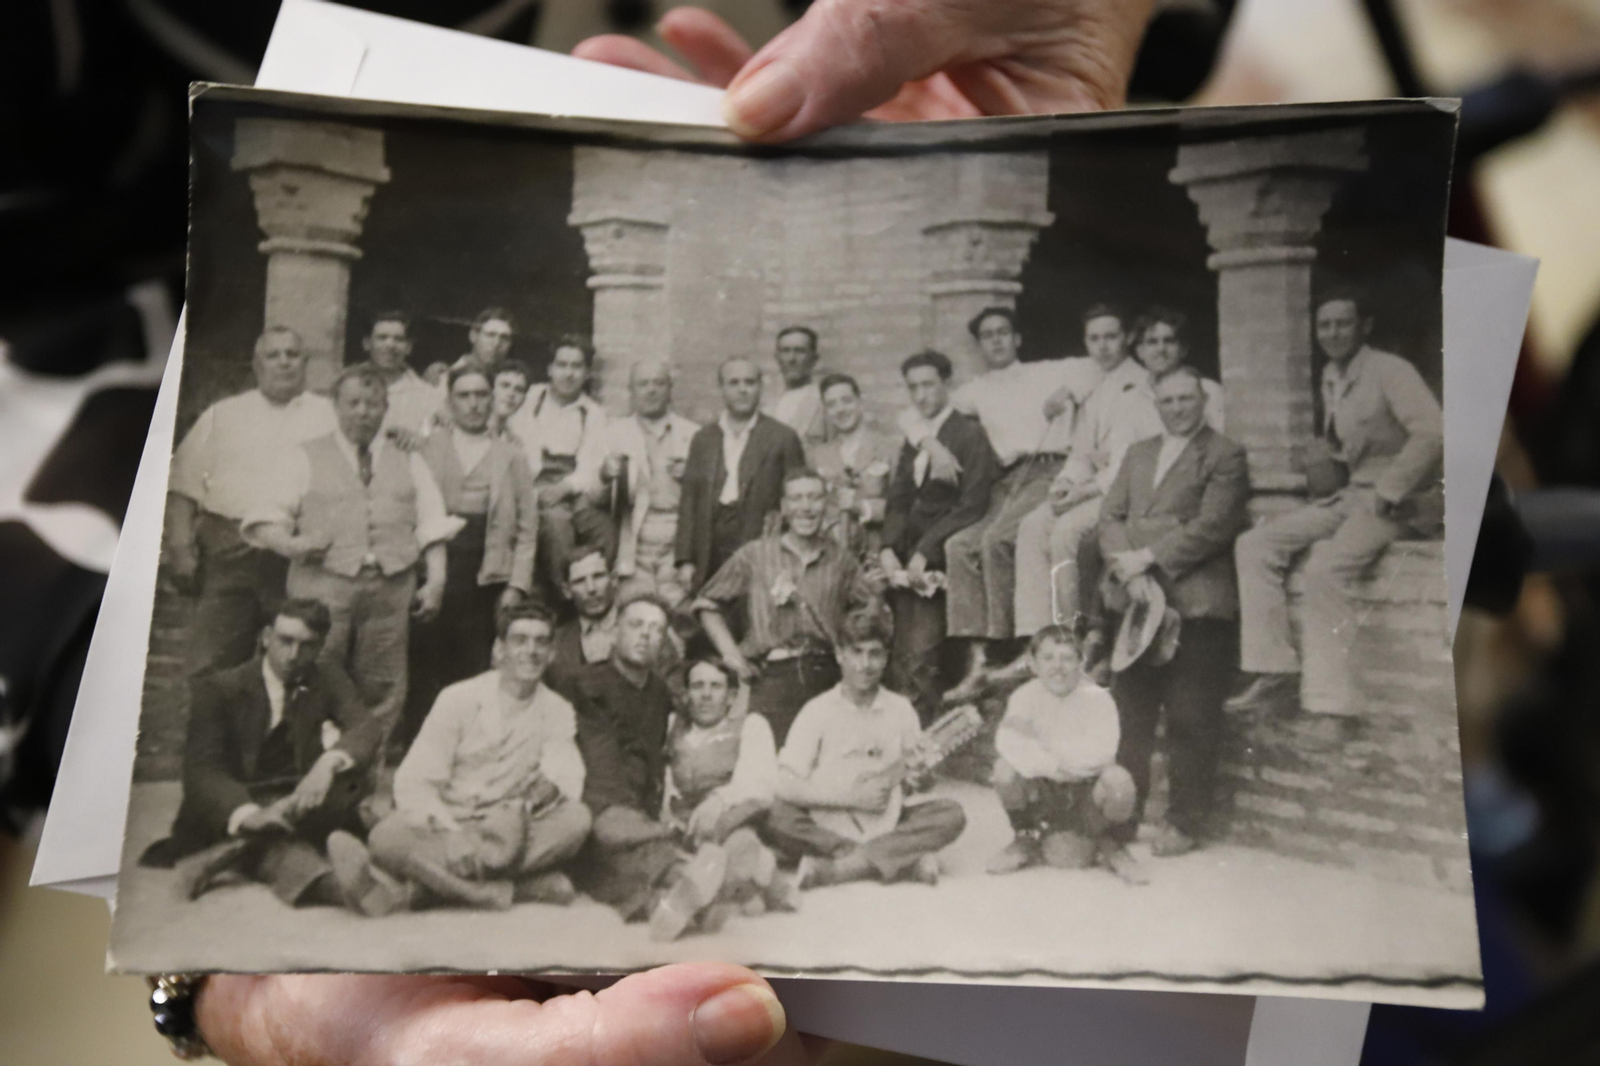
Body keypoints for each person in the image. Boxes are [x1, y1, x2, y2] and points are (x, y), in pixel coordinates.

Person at [189, 1, 1155, 1058]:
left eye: (763, 375)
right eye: (739, 375)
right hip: (547, 605)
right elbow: (674, 601)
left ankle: (767, 862)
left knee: (840, 802)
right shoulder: (606, 594)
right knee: (535, 767)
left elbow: (759, 720)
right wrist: (721, 636)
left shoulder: (806, 506)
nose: (755, 389)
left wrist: (850, 621)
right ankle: (503, 855)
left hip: (782, 695)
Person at [1232, 293, 1444, 741]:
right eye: (1324, 326)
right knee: (1255, 544)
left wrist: (1392, 487)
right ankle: (1276, 673)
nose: (1332, 334)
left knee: (1326, 568)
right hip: (1354, 494)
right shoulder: (1332, 376)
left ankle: (1334, 711)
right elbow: (1347, 458)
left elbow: (1432, 431)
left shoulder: (1391, 370)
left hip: (1398, 500)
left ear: (1364, 326)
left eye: (1342, 324)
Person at [138, 599, 397, 916]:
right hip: (239, 800)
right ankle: (343, 889)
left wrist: (329, 763)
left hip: (297, 796)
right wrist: (250, 814)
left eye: (306, 646)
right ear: (265, 637)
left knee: (352, 800)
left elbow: (365, 727)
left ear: (319, 648)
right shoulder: (220, 688)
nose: (292, 655)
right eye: (285, 641)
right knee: (281, 850)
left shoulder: (326, 677)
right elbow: (202, 772)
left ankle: (231, 853)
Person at [243, 364, 454, 735]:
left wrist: (435, 581)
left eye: (372, 403)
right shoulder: (304, 455)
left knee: (382, 686)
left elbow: (432, 524)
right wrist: (292, 544)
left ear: (385, 408)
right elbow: (264, 518)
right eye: (353, 402)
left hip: (391, 589)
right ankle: (306, 775)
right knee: (312, 673)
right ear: (335, 406)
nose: (363, 411)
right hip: (323, 585)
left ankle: (362, 784)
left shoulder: (409, 457)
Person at [1100, 367, 1248, 857]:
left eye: (1187, 398)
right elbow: (1110, 516)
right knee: (1130, 717)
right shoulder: (1138, 452)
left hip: (1196, 602)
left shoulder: (1225, 454)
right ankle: (1121, 822)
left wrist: (1149, 558)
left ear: (1203, 400)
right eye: (1168, 400)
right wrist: (1127, 568)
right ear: (1155, 404)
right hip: (1137, 602)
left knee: (1190, 717)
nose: (1178, 408)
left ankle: (1184, 822)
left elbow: (1213, 526)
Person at [365, 604, 592, 910]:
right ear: (500, 649)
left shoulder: (557, 710)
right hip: (447, 821)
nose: (531, 650)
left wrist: (547, 791)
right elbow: (414, 782)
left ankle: (431, 888)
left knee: (577, 820)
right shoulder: (458, 699)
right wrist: (452, 833)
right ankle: (508, 890)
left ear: (552, 653)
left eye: (541, 642)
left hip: (505, 833)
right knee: (386, 837)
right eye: (520, 640)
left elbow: (567, 776)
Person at [935, 306, 1103, 693]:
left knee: (998, 540)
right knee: (961, 545)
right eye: (987, 335)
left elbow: (1098, 369)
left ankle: (1012, 648)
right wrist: (933, 444)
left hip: (1050, 470)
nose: (996, 340)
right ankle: (977, 658)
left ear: (1018, 339)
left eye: (1003, 332)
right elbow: (921, 415)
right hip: (1007, 478)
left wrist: (1068, 391)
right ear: (979, 346)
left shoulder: (1048, 371)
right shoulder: (975, 390)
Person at [164, 326, 337, 678]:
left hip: (296, 554)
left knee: (297, 659)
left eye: (292, 354)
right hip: (229, 550)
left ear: (306, 364)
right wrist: (180, 549)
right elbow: (183, 488)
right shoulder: (224, 415)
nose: (284, 363)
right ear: (257, 366)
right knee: (213, 658)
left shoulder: (330, 415)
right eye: (273, 355)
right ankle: (210, 732)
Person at [571, 594, 737, 940]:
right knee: (610, 843)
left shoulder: (659, 692)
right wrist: (659, 828)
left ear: (664, 642)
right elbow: (602, 772)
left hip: (638, 812)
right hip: (596, 805)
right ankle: (685, 882)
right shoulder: (587, 685)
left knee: (631, 857)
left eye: (656, 629)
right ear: (615, 631)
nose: (646, 635)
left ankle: (664, 903)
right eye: (636, 625)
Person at [767, 608, 967, 888]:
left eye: (875, 653)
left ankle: (843, 868)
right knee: (776, 815)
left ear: (886, 657)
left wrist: (920, 779)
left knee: (951, 814)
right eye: (857, 652)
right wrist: (850, 798)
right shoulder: (817, 711)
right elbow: (785, 784)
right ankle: (900, 857)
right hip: (829, 820)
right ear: (840, 654)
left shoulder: (901, 708)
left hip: (886, 820)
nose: (865, 664)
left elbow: (917, 782)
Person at [398, 365, 540, 753]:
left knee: (473, 669)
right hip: (436, 568)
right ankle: (418, 757)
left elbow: (528, 528)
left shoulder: (511, 455)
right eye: (464, 395)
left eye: (481, 395)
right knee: (425, 664)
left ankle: (466, 759)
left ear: (492, 400)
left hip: (486, 573)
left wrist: (516, 584)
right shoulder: (427, 448)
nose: (474, 404)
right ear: (449, 402)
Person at [693, 468, 873, 747]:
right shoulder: (756, 554)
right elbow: (708, 604)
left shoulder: (842, 561)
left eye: (814, 498)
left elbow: (868, 615)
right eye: (797, 499)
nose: (806, 507)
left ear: (826, 504)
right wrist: (733, 658)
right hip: (771, 677)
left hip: (828, 677)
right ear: (784, 507)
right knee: (768, 765)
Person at [1014, 305, 1156, 640]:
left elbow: (1127, 463)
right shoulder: (1093, 385)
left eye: (1111, 337)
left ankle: (1070, 633)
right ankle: (1035, 633)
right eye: (1094, 339)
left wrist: (1082, 492)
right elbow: (1080, 453)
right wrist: (1065, 482)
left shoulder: (1143, 385)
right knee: (1032, 525)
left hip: (1123, 491)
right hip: (1091, 486)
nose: (1102, 346)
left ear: (1128, 338)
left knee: (1066, 532)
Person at [879, 350, 1001, 722]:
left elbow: (972, 504)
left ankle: (923, 748)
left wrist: (924, 552)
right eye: (913, 387)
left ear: (947, 384)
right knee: (898, 653)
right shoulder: (916, 438)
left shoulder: (969, 434)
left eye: (929, 385)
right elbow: (899, 497)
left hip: (941, 560)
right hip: (905, 558)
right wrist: (887, 547)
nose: (921, 395)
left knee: (921, 654)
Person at [986, 625, 1141, 881]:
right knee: (1004, 770)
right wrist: (1052, 767)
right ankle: (1026, 836)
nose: (1058, 667)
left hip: (1086, 791)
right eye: (1048, 658)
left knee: (1118, 780)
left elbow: (1102, 752)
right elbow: (1009, 743)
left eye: (1067, 658)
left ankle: (1111, 843)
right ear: (1033, 664)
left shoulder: (1099, 699)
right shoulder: (1024, 696)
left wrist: (1041, 748)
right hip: (1044, 789)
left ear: (1081, 663)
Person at [675, 355, 807, 594]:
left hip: (759, 542)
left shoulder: (782, 437)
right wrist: (685, 559)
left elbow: (798, 500)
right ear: (721, 388)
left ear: (760, 386)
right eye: (733, 383)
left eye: (749, 382)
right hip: (711, 545)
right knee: (710, 611)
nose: (742, 390)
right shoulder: (703, 438)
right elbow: (689, 500)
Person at [505, 334, 616, 592]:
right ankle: (564, 590)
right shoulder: (529, 398)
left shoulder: (593, 413)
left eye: (576, 367)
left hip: (571, 489)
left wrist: (564, 488)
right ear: (550, 369)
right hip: (530, 485)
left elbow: (590, 465)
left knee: (604, 529)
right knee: (556, 525)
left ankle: (598, 589)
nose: (569, 374)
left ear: (587, 373)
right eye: (562, 365)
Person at [590, 357, 700, 606]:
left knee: (679, 610)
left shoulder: (694, 434)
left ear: (670, 390)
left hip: (678, 537)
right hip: (635, 536)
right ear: (631, 391)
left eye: (659, 383)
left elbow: (708, 497)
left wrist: (692, 477)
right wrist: (605, 475)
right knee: (634, 607)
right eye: (643, 384)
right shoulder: (613, 434)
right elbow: (593, 496)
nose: (651, 390)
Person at [665, 659, 780, 846]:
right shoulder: (672, 726)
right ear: (686, 695)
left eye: (716, 686)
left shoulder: (750, 726)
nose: (706, 695)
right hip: (678, 825)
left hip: (731, 823)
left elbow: (762, 785)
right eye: (697, 686)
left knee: (742, 849)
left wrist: (718, 801)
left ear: (731, 697)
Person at [806, 372, 899, 556]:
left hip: (877, 551)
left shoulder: (889, 449)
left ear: (860, 401)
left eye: (846, 400)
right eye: (831, 405)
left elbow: (902, 508)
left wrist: (862, 506)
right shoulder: (817, 455)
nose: (840, 409)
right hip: (829, 551)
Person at [358, 311, 444, 441]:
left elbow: (434, 442)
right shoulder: (345, 387)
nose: (390, 345)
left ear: (408, 347)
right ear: (367, 343)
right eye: (382, 337)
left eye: (399, 339)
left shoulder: (428, 397)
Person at [767, 325, 830, 446]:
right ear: (777, 358)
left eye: (800, 351)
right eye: (786, 351)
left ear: (814, 358)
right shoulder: (765, 404)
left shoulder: (824, 402)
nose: (792, 358)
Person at [487, 357, 534, 438]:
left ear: (523, 399)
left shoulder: (514, 441)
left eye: (519, 390)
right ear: (490, 389)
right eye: (505, 386)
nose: (511, 394)